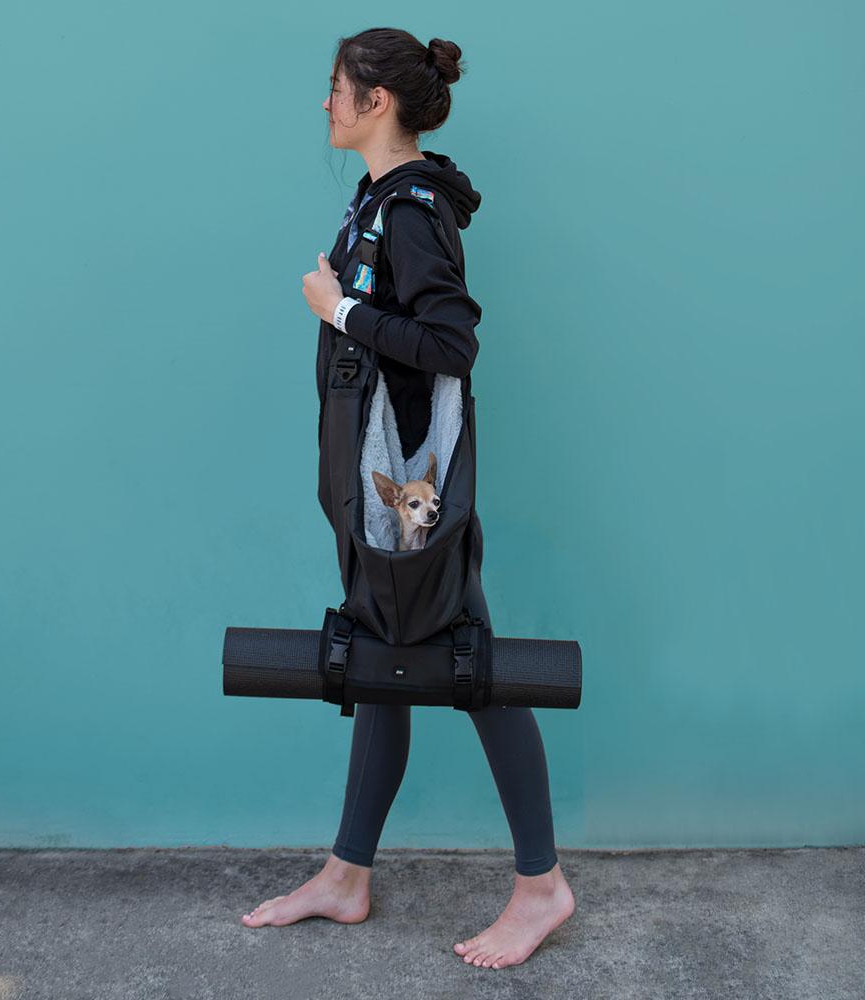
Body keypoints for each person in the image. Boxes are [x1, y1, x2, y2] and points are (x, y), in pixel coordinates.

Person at [241, 27, 576, 970]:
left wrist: (338, 307)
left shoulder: (416, 210)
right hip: (376, 492)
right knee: (384, 650)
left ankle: (542, 885)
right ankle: (348, 874)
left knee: (474, 661)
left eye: (338, 88)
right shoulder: (381, 202)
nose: (326, 104)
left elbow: (452, 345)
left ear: (377, 100)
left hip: (409, 499)